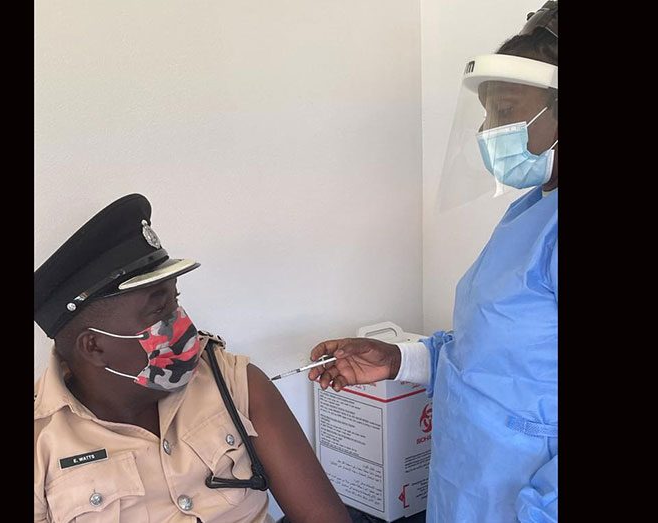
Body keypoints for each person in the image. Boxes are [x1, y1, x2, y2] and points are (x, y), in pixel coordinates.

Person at [308, 3, 558, 522]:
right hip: (469, 490)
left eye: (507, 111)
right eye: (487, 113)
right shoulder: (529, 215)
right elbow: (495, 363)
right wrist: (399, 361)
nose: (489, 130)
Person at [34, 193, 351, 523]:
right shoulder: (41, 441)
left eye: (176, 300)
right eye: (159, 311)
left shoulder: (234, 383)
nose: (183, 323)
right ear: (94, 347)